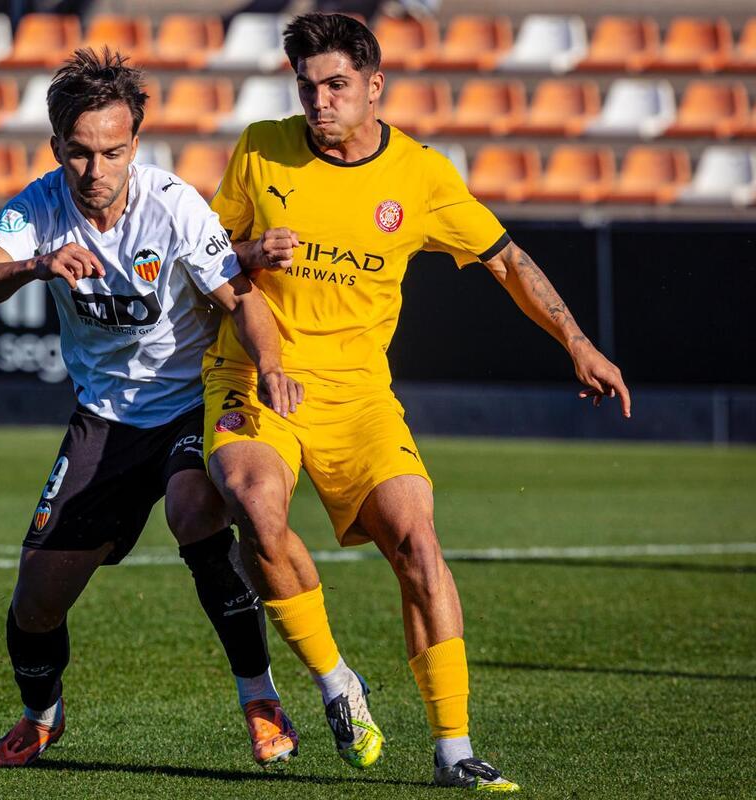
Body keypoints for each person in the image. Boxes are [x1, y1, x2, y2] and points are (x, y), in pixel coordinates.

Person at [203, 12, 631, 792]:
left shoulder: (422, 176)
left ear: (376, 86)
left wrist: (576, 341)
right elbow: (202, 262)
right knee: (254, 505)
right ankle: (337, 682)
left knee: (418, 545)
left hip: (360, 394)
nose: (320, 102)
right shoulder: (260, 148)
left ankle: (455, 751)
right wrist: (248, 252)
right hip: (255, 375)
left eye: (337, 85)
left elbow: (507, 262)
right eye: (307, 86)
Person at [0, 48, 303, 769]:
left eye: (112, 152)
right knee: (35, 601)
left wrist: (270, 365)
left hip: (189, 405)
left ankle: (260, 697)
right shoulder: (38, 207)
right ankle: (41, 717)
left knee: (194, 512)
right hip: (105, 419)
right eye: (80, 152)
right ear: (57, 147)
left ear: (135, 144)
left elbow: (240, 296)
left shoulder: (173, 205)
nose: (96, 170)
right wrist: (34, 266)